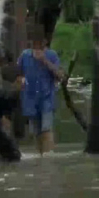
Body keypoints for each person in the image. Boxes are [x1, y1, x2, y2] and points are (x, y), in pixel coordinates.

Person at [17, 26, 65, 155]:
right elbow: (18, 73)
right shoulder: (25, 55)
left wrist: (44, 60)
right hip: (31, 99)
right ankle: (40, 157)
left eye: (38, 44)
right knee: (36, 132)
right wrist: (20, 81)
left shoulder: (51, 55)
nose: (35, 47)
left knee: (46, 129)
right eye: (32, 44)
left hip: (46, 98)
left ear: (44, 42)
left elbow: (60, 75)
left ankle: (49, 156)